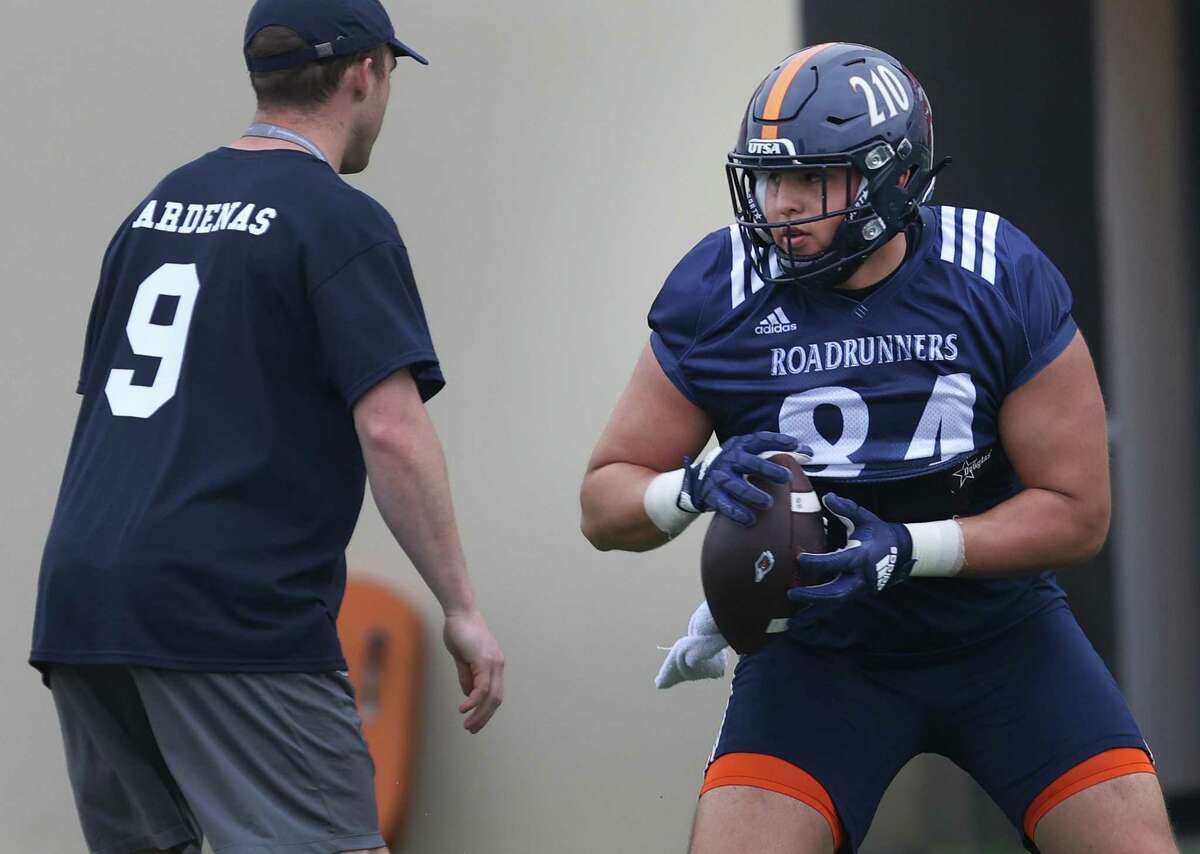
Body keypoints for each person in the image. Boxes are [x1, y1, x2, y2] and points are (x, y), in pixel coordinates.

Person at [580, 42, 1177, 854]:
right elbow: (603, 502)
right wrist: (687, 486)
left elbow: (1078, 515)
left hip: (999, 637)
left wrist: (909, 550)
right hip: (819, 651)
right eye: (767, 177)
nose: (779, 205)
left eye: (809, 178)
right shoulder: (720, 287)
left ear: (888, 178)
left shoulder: (993, 270)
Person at [30, 1, 504, 852]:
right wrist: (461, 606)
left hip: (83, 602)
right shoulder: (339, 219)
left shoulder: (152, 210)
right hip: (227, 609)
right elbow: (392, 430)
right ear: (366, 72)